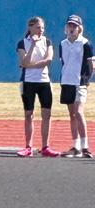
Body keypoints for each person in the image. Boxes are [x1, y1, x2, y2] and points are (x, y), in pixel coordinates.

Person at [16, 16, 58, 157]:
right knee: (29, 114)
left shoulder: (47, 42)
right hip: (28, 82)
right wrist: (33, 45)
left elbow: (48, 60)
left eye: (43, 27)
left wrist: (29, 65)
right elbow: (23, 61)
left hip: (44, 82)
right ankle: (28, 147)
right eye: (38, 27)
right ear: (30, 27)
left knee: (46, 114)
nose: (41, 30)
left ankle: (45, 146)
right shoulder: (22, 43)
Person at [59, 14, 94, 158]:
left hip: (79, 83)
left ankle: (85, 147)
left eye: (75, 25)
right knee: (72, 114)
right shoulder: (63, 44)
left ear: (80, 28)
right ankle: (76, 147)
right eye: (70, 25)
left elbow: (91, 65)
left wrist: (86, 80)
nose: (72, 28)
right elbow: (64, 63)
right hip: (67, 82)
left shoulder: (85, 43)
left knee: (79, 112)